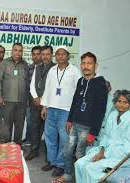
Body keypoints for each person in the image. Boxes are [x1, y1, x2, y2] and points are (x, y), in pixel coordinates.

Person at [56, 52, 108, 183]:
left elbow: (100, 111)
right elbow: (75, 102)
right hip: (75, 124)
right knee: (67, 152)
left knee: (80, 154)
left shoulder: (100, 84)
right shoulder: (81, 81)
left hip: (88, 127)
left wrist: (93, 133)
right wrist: (69, 119)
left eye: (89, 63)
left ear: (96, 65)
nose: (86, 66)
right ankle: (68, 175)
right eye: (84, 63)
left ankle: (83, 179)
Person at [75, 90, 130, 183]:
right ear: (115, 102)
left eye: (125, 102)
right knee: (79, 163)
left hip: (124, 156)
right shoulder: (113, 115)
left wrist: (105, 155)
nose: (121, 104)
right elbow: (106, 135)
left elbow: (129, 148)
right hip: (107, 150)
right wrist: (102, 151)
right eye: (119, 101)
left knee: (90, 168)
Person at [40, 46, 81, 177]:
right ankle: (52, 161)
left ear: (68, 56)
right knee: (49, 138)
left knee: (64, 140)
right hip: (51, 109)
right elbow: (47, 89)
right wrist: (44, 106)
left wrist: (74, 113)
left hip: (66, 111)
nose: (60, 56)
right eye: (58, 54)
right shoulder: (52, 70)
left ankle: (60, 164)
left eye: (63, 54)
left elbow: (78, 93)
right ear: (55, 56)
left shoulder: (74, 71)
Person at [25, 45, 55, 160]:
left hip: (48, 105)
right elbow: (32, 85)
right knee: (34, 129)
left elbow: (52, 87)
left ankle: (49, 155)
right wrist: (36, 97)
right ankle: (34, 150)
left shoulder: (55, 68)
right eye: (43, 54)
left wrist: (44, 99)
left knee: (49, 131)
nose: (45, 57)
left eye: (47, 54)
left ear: (51, 55)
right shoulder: (37, 68)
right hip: (36, 104)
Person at [0, 42, 29, 144]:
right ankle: (7, 146)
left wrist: (27, 99)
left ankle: (18, 147)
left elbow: (27, 82)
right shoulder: (4, 63)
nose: (18, 53)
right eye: (16, 50)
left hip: (21, 101)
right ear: (12, 51)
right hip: (7, 101)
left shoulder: (25, 64)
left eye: (20, 51)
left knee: (20, 125)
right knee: (7, 125)